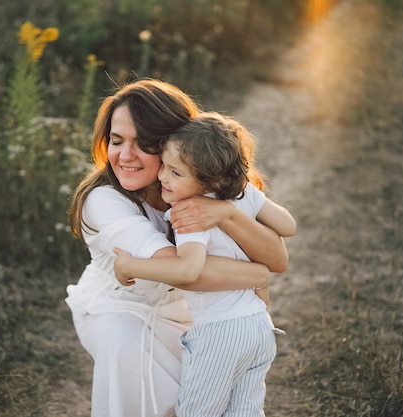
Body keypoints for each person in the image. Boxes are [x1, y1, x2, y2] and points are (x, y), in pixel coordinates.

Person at [66, 79, 289, 417]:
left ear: (175, 145)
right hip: (119, 308)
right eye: (116, 141)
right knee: (128, 349)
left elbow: (279, 257)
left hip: (187, 314)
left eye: (143, 144)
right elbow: (186, 273)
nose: (125, 156)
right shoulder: (102, 201)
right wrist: (257, 274)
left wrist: (227, 214)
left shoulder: (200, 190)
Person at [113, 112, 296, 417]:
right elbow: (288, 225)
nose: (162, 178)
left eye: (175, 173)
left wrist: (129, 266)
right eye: (166, 168)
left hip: (220, 332)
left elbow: (187, 270)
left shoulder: (190, 213)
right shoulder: (243, 192)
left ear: (211, 180)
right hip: (258, 325)